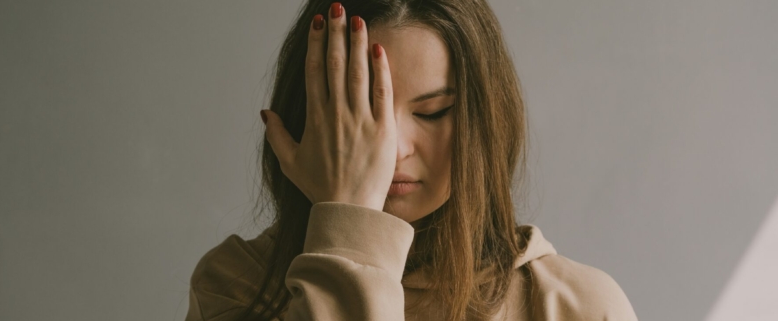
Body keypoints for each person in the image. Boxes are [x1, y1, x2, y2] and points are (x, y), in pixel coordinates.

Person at [185, 1, 638, 320]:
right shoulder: (235, 286)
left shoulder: (575, 307)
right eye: (358, 110)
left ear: (485, 122)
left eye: (433, 112)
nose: (393, 147)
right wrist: (351, 228)